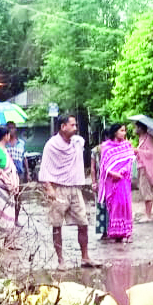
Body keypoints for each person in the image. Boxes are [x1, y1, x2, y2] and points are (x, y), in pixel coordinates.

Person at [39, 114, 99, 269]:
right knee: (57, 225)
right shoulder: (51, 145)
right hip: (58, 188)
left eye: (75, 125)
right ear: (63, 127)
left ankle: (85, 257)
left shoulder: (77, 142)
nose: (75, 128)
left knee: (83, 223)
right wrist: (49, 188)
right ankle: (61, 261)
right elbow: (44, 167)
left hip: (75, 188)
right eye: (72, 125)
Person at [99, 124, 136, 242]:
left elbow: (129, 162)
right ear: (115, 132)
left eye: (125, 131)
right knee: (114, 206)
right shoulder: (106, 147)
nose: (124, 133)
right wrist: (112, 174)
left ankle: (127, 232)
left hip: (123, 180)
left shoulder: (127, 146)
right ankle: (116, 234)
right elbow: (103, 166)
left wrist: (121, 172)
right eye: (122, 130)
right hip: (111, 182)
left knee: (125, 204)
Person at [135, 120, 153, 222]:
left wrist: (138, 151)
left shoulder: (148, 138)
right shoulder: (141, 138)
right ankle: (147, 214)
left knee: (146, 190)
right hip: (141, 167)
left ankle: (148, 215)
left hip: (146, 168)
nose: (134, 130)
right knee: (143, 190)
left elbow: (151, 153)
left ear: (141, 128)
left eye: (136, 127)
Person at [6, 121, 26, 224]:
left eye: (13, 128)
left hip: (19, 173)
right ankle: (8, 218)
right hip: (7, 174)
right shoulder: (4, 144)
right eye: (9, 128)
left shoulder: (21, 143)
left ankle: (16, 219)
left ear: (16, 129)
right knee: (7, 197)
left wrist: (28, 173)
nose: (11, 130)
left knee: (18, 197)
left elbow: (24, 158)